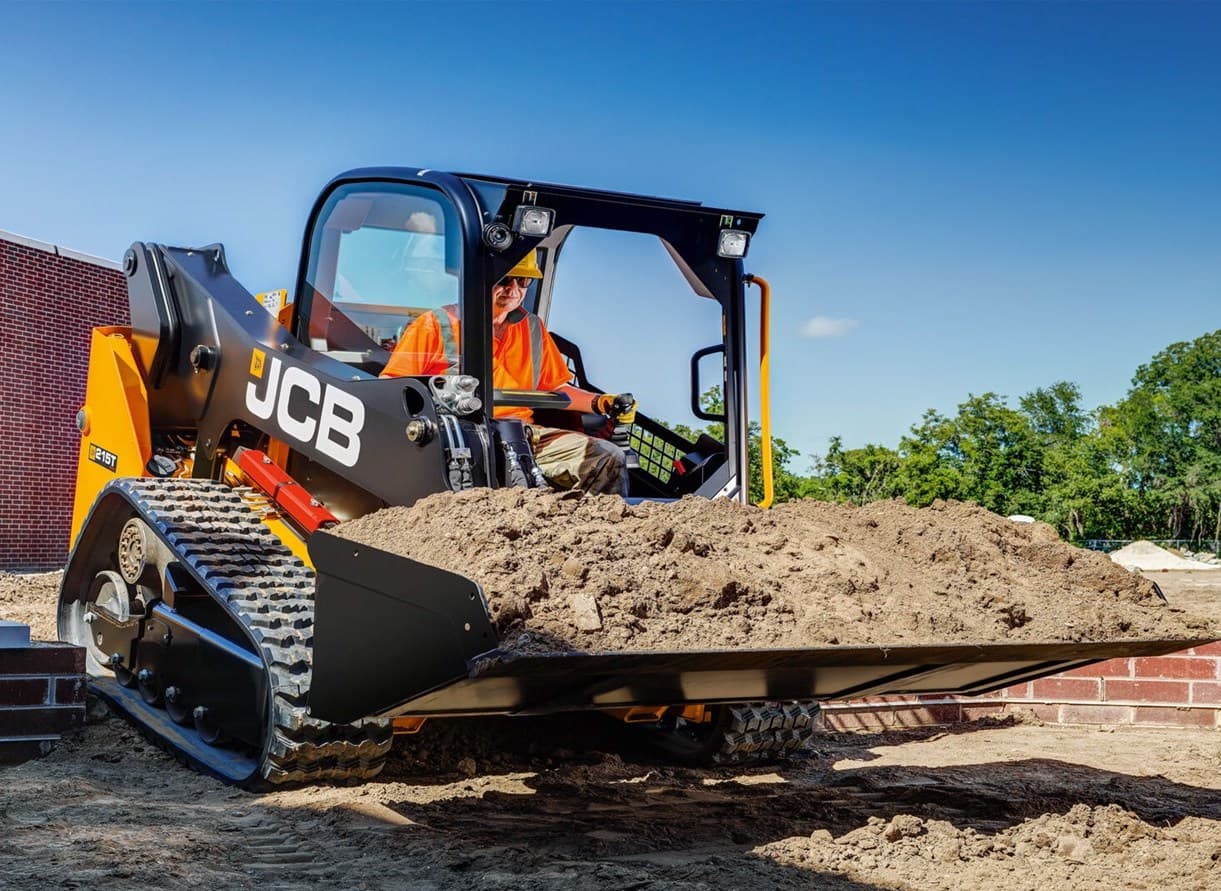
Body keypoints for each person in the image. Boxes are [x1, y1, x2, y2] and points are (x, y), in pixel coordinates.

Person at [381, 250, 634, 495]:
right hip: (458, 437)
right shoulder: (434, 326)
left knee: (607, 458)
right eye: (505, 280)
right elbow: (391, 389)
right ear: (480, 277)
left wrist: (601, 403)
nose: (514, 290)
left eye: (523, 281)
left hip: (522, 436)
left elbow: (557, 388)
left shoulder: (533, 329)